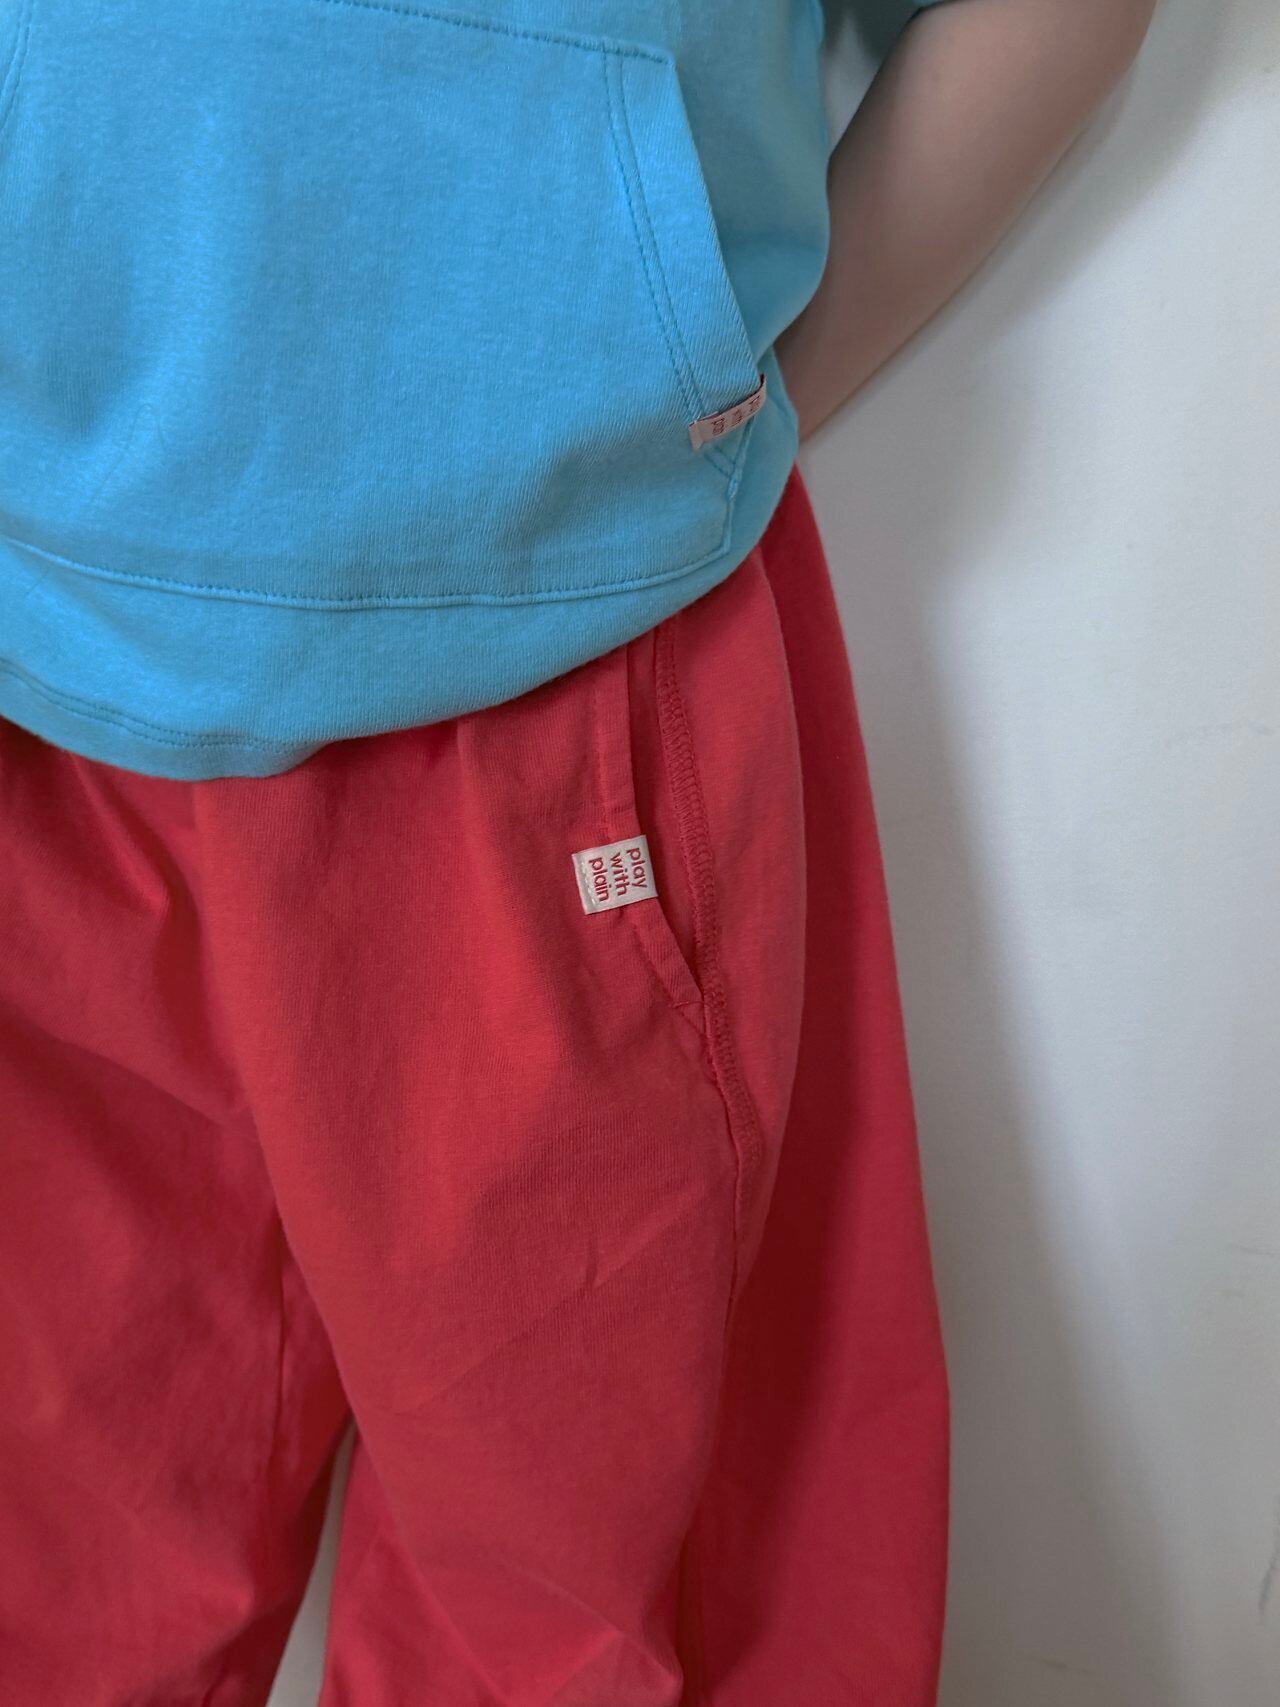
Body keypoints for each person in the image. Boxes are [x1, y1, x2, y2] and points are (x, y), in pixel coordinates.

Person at [0, 1, 1157, 1701]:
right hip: (41, 639)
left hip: (554, 650)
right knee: (54, 1584)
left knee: (560, 1603)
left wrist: (728, 389)